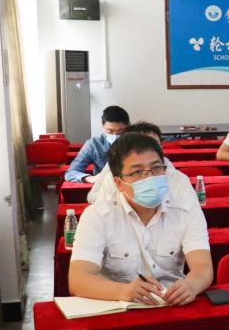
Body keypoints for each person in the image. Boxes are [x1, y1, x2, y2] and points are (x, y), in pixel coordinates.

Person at [68, 133, 212, 306]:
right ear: (119, 183)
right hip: (119, 306)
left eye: (156, 168)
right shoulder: (97, 215)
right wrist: (123, 291)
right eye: (137, 172)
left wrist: (191, 285)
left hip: (172, 304)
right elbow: (78, 279)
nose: (149, 177)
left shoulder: (185, 208)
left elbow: (203, 267)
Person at [87, 121, 198, 208]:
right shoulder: (113, 169)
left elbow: (184, 201)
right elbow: (92, 197)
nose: (152, 150)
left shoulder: (170, 170)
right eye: (145, 145)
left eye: (157, 144)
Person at [64, 105, 129, 183]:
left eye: (120, 131)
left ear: (128, 126)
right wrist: (90, 178)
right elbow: (71, 173)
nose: (115, 135)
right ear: (103, 125)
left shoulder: (137, 142)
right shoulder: (94, 144)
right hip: (104, 186)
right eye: (110, 131)